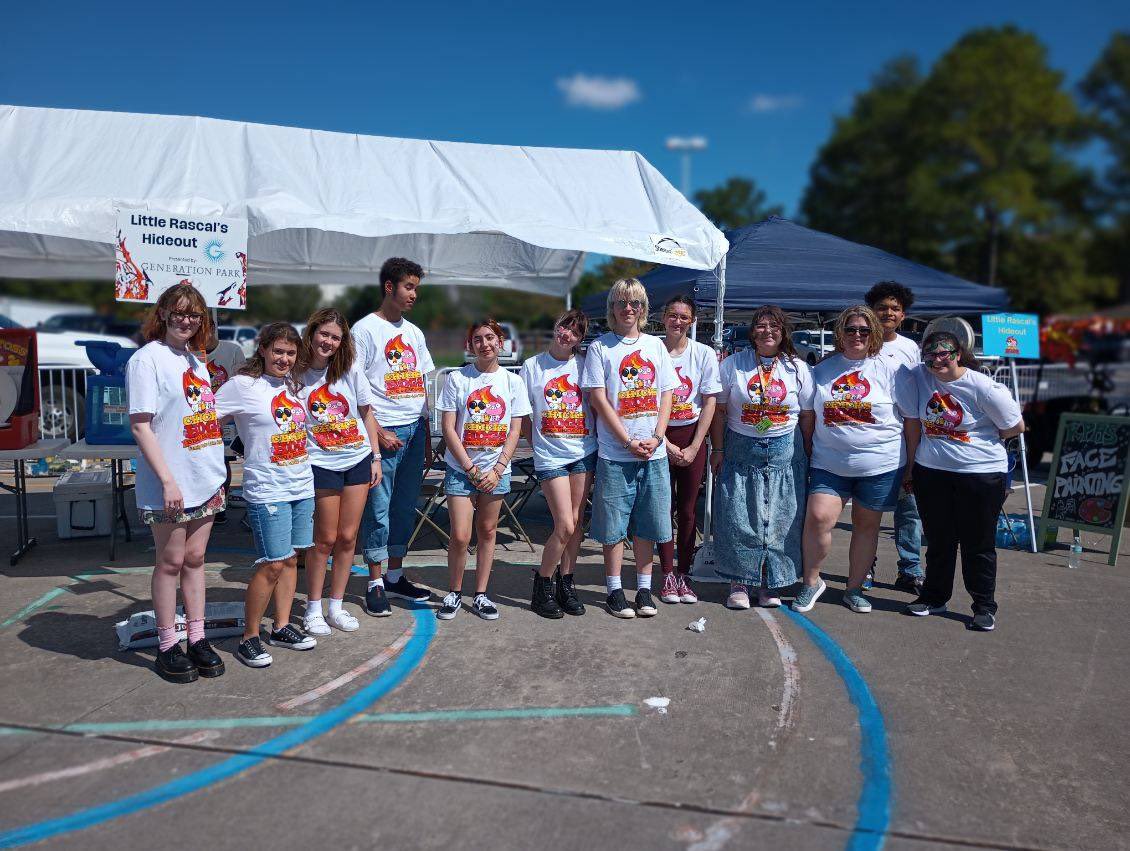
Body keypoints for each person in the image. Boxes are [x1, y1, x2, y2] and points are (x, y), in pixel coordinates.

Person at [127, 283, 227, 683]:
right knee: (169, 561)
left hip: (205, 476)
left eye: (195, 314)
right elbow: (141, 425)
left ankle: (197, 638)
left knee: (196, 560)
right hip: (169, 482)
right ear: (164, 314)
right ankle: (167, 644)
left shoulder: (195, 361)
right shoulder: (146, 359)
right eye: (179, 312)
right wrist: (167, 480)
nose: (187, 320)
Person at [897, 330, 1024, 631]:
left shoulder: (982, 386)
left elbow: (1015, 426)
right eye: (931, 354)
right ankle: (934, 597)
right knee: (939, 540)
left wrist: (978, 444)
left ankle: (983, 606)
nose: (938, 360)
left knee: (977, 543)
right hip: (932, 472)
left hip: (979, 475)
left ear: (958, 354)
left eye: (945, 354)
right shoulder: (921, 376)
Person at [793, 306, 907, 615]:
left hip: (880, 464)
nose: (857, 335)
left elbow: (911, 419)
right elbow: (808, 416)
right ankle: (811, 581)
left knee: (866, 526)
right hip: (829, 463)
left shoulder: (892, 370)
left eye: (864, 330)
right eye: (850, 329)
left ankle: (854, 588)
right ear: (840, 334)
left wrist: (912, 466)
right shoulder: (820, 372)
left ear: (874, 334)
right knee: (818, 518)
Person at [215, 323, 317, 668]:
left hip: (301, 485)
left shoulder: (295, 385)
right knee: (272, 563)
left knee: (291, 559)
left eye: (290, 353)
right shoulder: (243, 386)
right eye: (278, 351)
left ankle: (283, 625)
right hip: (266, 488)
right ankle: (249, 637)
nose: (284, 358)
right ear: (263, 350)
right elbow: (205, 418)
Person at [580, 278, 678, 619]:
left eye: (634, 303)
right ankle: (614, 590)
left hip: (654, 452)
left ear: (643, 309)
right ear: (612, 308)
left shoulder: (655, 346)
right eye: (621, 302)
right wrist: (626, 440)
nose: (628, 309)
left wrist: (659, 434)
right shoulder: (600, 348)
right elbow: (598, 399)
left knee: (648, 525)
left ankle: (645, 589)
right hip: (615, 454)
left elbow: (667, 392)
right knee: (613, 526)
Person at [710, 306, 813, 609]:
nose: (768, 331)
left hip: (785, 448)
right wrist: (717, 449)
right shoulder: (733, 364)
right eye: (761, 326)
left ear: (784, 332)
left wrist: (807, 451)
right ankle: (739, 581)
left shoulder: (797, 367)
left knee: (781, 518)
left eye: (775, 326)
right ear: (752, 331)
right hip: (741, 447)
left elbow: (807, 414)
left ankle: (772, 582)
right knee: (738, 514)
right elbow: (718, 411)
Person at [353, 258, 435, 615]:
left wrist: (428, 430)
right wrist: (377, 432)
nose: (414, 294)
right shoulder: (365, 330)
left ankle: (395, 575)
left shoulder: (414, 333)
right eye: (409, 287)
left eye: (416, 287)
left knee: (404, 507)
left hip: (415, 430)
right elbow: (354, 389)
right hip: (384, 432)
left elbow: (425, 381)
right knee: (379, 509)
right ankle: (373, 581)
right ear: (389, 286)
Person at [435, 319, 531, 621]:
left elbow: (516, 429)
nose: (485, 343)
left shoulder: (512, 382)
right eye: (478, 339)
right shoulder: (457, 379)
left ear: (500, 342)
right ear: (470, 345)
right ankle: (454, 591)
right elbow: (448, 428)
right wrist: (469, 466)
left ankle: (481, 594)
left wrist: (500, 466)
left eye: (490, 338)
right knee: (461, 535)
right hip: (461, 469)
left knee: (488, 531)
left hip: (496, 470)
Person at [298, 309, 384, 636]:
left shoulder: (349, 369)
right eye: (324, 334)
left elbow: (366, 413)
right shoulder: (297, 373)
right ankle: (313, 608)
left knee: (348, 538)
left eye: (335, 337)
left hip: (358, 460)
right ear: (312, 333)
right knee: (324, 539)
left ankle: (336, 605)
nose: (329, 342)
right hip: (320, 463)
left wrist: (375, 457)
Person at [519, 309, 596, 617]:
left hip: (582, 450)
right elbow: (522, 413)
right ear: (556, 325)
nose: (568, 334)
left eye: (575, 332)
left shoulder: (584, 365)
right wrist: (535, 443)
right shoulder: (532, 366)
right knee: (563, 524)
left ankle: (567, 583)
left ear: (580, 339)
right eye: (565, 327)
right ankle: (543, 583)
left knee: (576, 525)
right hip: (550, 455)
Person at [657, 295, 720, 604]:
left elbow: (709, 401)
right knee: (662, 509)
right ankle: (667, 572)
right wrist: (664, 442)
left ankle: (683, 573)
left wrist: (697, 445)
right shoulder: (653, 351)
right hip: (659, 438)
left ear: (692, 321)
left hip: (692, 436)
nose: (677, 321)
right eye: (672, 314)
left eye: (683, 316)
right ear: (663, 318)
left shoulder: (704, 353)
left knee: (688, 510)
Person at [865, 281, 924, 593]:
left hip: (907, 438)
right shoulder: (859, 342)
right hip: (872, 443)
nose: (888, 313)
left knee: (909, 509)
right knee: (870, 510)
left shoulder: (910, 348)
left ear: (903, 315)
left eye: (895, 309)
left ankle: (910, 569)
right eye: (882, 307)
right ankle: (865, 567)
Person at [205, 334, 246, 526]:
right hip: (203, 418)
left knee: (222, 461)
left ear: (212, 328)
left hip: (228, 421)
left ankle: (220, 504)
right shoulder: (187, 352)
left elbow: (242, 382)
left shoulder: (232, 350)